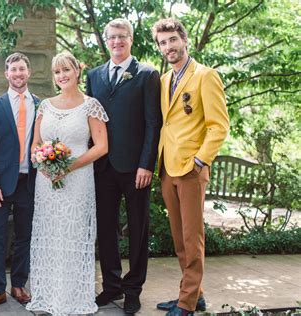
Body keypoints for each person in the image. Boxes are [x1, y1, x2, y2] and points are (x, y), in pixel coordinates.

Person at [151, 18, 229, 316]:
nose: (168, 47)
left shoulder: (205, 76)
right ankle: (194, 294)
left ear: (184, 40)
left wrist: (200, 161)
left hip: (191, 170)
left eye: (172, 40)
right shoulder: (163, 81)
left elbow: (218, 126)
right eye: (163, 43)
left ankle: (186, 305)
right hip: (168, 168)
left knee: (192, 238)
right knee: (178, 237)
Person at [86, 18, 162, 314]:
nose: (117, 41)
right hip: (102, 167)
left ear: (131, 39)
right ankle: (112, 285)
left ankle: (133, 289)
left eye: (122, 36)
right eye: (112, 37)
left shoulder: (147, 74)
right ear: (106, 41)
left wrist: (147, 164)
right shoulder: (94, 76)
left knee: (138, 229)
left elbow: (153, 124)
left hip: (135, 168)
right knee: (105, 228)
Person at [25, 52, 109, 316]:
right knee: (49, 234)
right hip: (47, 181)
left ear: (77, 71)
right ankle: (48, 294)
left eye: (66, 70)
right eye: (57, 72)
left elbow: (102, 147)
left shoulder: (90, 105)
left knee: (73, 235)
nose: (62, 76)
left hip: (78, 180)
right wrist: (44, 163)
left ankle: (72, 296)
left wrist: (68, 166)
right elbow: (35, 144)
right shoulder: (45, 106)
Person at [0, 52, 39, 311]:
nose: (18, 74)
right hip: (0, 186)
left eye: (22, 69)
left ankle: (18, 285)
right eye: (13, 70)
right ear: (6, 74)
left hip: (29, 182)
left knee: (25, 236)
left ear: (29, 72)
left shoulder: (41, 105)